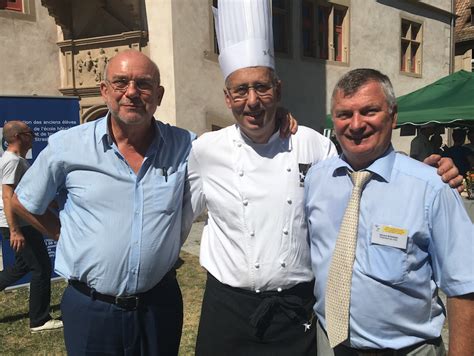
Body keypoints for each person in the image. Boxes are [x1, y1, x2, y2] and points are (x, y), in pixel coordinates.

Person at [183, 2, 462, 355]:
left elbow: (368, 172)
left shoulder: (315, 145)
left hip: (295, 310)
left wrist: (428, 173)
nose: (252, 101)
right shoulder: (205, 150)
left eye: (262, 88)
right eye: (240, 90)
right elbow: (175, 217)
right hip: (227, 307)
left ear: (278, 90)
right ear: (227, 97)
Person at [12, 50, 195, 355]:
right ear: (105, 91)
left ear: (159, 95)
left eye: (144, 84)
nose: (132, 92)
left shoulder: (186, 146)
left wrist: (277, 117)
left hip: (158, 306)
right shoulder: (68, 146)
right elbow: (24, 201)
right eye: (121, 82)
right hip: (90, 309)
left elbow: (239, 144)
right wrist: (64, 235)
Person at [305, 69, 474, 355]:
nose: (356, 124)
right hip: (329, 344)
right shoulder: (316, 179)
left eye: (369, 111)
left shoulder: (432, 188)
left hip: (406, 349)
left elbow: (465, 288)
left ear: (393, 116)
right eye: (345, 114)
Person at [0, 121, 63, 333]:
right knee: (41, 268)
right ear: (19, 136)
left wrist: (53, 203)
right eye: (31, 133)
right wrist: (15, 229)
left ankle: (39, 317)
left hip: (20, 222)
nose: (34, 137)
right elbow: (8, 196)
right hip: (20, 223)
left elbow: (26, 192)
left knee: (22, 266)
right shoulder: (13, 161)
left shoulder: (16, 160)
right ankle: (39, 320)